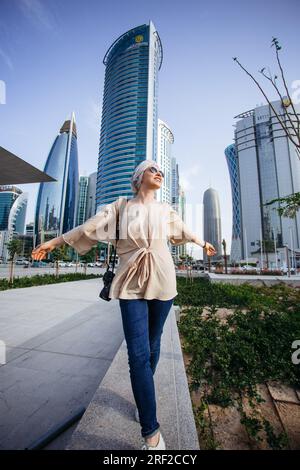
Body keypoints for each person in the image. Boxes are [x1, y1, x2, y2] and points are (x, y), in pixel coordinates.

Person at [31, 160, 217, 450]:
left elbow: (184, 230)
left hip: (163, 280)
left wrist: (203, 243)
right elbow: (88, 227)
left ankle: (143, 400)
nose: (158, 173)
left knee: (153, 344)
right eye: (152, 169)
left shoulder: (165, 209)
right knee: (138, 355)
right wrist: (54, 242)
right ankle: (151, 434)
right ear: (138, 176)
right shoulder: (119, 207)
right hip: (130, 281)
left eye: (161, 172)